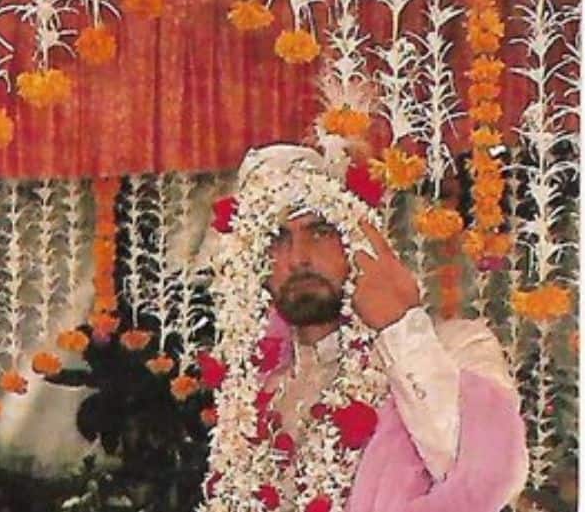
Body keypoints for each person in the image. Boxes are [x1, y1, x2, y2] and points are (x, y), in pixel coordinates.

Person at [202, 144, 528, 512]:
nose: (298, 257)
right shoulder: (257, 395)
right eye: (277, 239)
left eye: (319, 231)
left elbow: (488, 478)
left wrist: (399, 329)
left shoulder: (457, 348)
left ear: (357, 238)